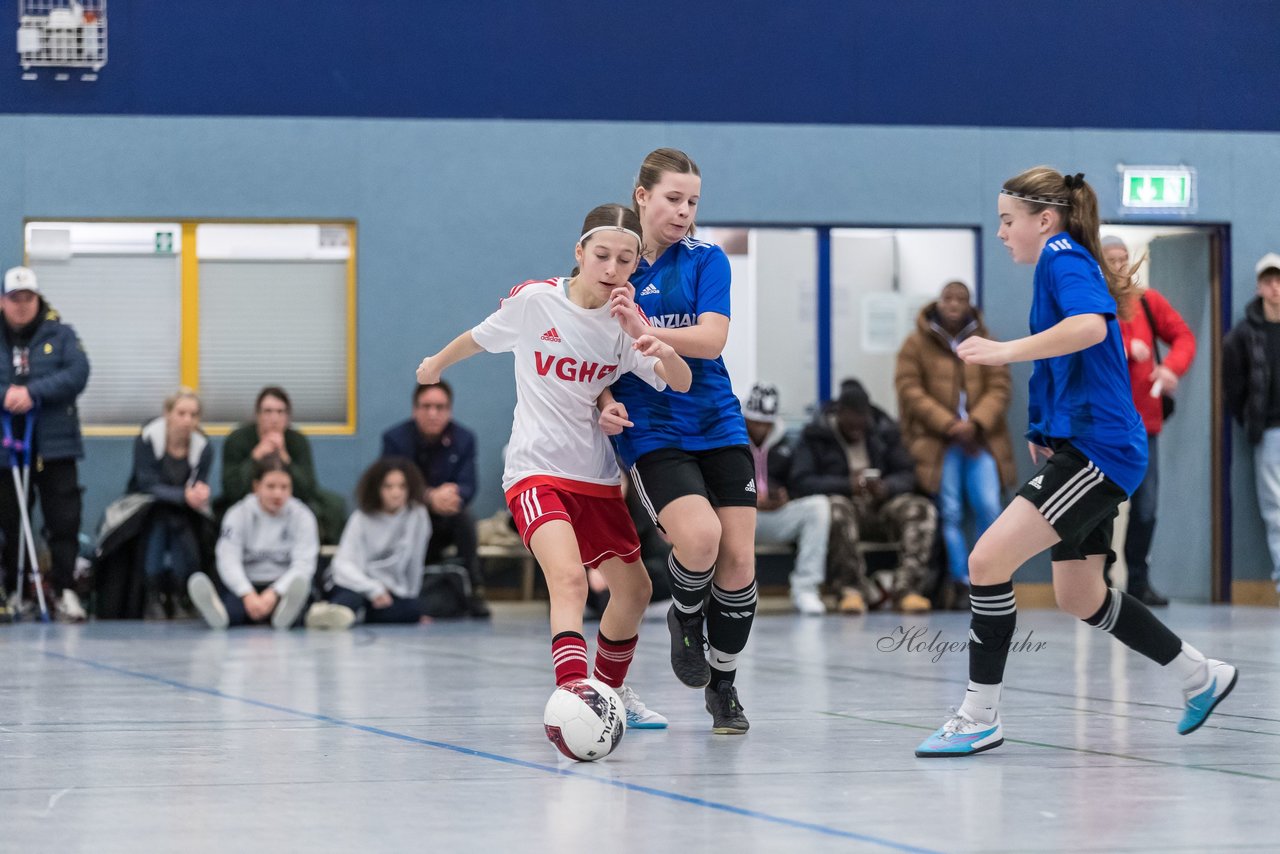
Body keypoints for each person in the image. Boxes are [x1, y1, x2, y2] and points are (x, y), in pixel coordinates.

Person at [915, 167, 1236, 757]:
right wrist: (1042, 428)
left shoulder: (1062, 255)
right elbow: (1064, 359)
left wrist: (1004, 350)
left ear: (1045, 220)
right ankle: (1200, 675)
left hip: (1100, 449)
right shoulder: (1057, 263)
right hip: (1081, 443)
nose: (1002, 232)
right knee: (1079, 594)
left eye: (1008, 221)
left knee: (986, 560)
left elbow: (1088, 328)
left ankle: (978, 714)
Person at [414, 203, 691, 730]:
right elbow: (480, 336)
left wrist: (649, 340)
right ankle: (572, 699)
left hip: (597, 478)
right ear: (580, 253)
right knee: (568, 580)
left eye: (626, 260)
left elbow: (678, 381)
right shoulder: (537, 301)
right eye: (602, 255)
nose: (612, 268)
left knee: (635, 591)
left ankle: (607, 695)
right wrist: (436, 365)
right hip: (535, 470)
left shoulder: (624, 322)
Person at [597, 148, 757, 734]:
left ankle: (724, 686)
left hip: (716, 419)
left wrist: (647, 329)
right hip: (653, 427)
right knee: (701, 537)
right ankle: (687, 611)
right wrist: (602, 401)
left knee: (739, 563)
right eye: (672, 198)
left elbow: (712, 340)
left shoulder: (707, 259)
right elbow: (585, 354)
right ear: (642, 197)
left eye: (693, 201)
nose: (684, 211)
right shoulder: (613, 266)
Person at [896, 281, 1015, 609]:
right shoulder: (916, 344)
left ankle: (990, 577)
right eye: (948, 298)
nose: (953, 304)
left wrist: (974, 424)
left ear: (969, 305)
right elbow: (909, 389)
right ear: (938, 301)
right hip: (939, 443)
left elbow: (1000, 387)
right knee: (949, 511)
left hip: (979, 441)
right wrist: (948, 425)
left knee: (990, 506)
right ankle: (961, 582)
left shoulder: (986, 342)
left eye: (961, 299)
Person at [1100, 235, 1197, 607]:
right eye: (1111, 259)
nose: (1120, 266)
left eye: (1124, 258)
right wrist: (1125, 349)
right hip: (1103, 428)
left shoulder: (1148, 302)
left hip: (1144, 426)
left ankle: (1138, 580)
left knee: (1146, 507)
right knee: (1102, 506)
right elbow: (1080, 347)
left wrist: (1170, 368)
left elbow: (1184, 337)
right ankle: (1101, 581)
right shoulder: (1092, 303)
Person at [789, 381, 938, 613]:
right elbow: (801, 481)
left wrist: (886, 487)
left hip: (882, 505)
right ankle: (851, 591)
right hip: (846, 506)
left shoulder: (884, 431)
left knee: (921, 508)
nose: (857, 432)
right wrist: (847, 485)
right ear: (839, 415)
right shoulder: (816, 436)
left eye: (862, 427)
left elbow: (907, 474)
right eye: (851, 428)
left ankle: (907, 590)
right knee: (835, 508)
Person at [0, 266, 91, 621]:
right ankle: (14, 591)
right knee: (10, 519)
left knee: (63, 518)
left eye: (28, 298)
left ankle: (66, 590)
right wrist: (6, 395)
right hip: (7, 445)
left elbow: (78, 372)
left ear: (37, 299)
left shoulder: (61, 333)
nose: (22, 306)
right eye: (14, 299)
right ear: (3, 301)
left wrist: (33, 393)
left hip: (54, 443)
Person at [381, 382, 490, 617]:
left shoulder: (464, 438)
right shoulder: (395, 439)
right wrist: (429, 496)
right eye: (426, 406)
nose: (433, 413)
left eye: (440, 407)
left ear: (449, 410)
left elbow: (469, 485)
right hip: (408, 515)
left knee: (465, 518)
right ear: (415, 410)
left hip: (446, 516)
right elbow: (388, 485)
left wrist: (453, 494)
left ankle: (475, 588)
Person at [188, 455, 317, 629]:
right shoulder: (237, 513)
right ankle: (220, 612)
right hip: (247, 583)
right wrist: (247, 593)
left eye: (284, 487)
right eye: (270, 487)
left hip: (284, 585)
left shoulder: (303, 516)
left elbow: (304, 564)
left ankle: (286, 612)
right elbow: (228, 559)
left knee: (298, 611)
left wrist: (275, 592)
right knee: (234, 613)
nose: (278, 493)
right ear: (256, 487)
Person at [306, 457, 431, 629]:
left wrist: (412, 599)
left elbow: (415, 562)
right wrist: (372, 589)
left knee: (411, 610)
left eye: (402, 486)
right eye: (388, 487)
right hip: (356, 583)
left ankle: (349, 616)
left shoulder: (418, 516)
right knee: (351, 599)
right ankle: (329, 612)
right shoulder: (361, 518)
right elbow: (343, 565)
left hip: (390, 592)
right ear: (377, 488)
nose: (396, 493)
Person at [742, 382, 831, 616]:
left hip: (774, 516)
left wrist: (784, 497)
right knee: (733, 511)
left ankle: (806, 588)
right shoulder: (732, 439)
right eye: (755, 421)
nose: (761, 428)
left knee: (818, 506)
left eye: (766, 422)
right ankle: (743, 590)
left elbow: (801, 482)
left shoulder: (788, 444)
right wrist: (750, 498)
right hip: (742, 514)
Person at [220, 386, 347, 544]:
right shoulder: (237, 439)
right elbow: (231, 489)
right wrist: (255, 457)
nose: (274, 418)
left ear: (287, 417)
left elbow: (308, 489)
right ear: (257, 415)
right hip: (248, 503)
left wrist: (286, 458)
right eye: (268, 411)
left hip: (290, 503)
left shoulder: (297, 440)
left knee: (332, 506)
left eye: (280, 412)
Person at [128, 388, 214, 618]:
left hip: (185, 513)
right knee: (161, 520)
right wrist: (182, 496)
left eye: (193, 415)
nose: (187, 420)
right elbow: (146, 483)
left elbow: (200, 483)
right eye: (181, 413)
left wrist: (200, 493)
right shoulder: (148, 438)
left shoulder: (203, 447)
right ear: (168, 413)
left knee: (177, 523)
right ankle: (155, 594)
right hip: (144, 509)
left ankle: (178, 594)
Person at [1223, 253, 1280, 593]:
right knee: (1276, 508)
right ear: (1260, 287)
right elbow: (1234, 387)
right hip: (1270, 430)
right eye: (1269, 281)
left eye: (1279, 280)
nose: (1275, 288)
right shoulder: (1243, 334)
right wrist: (1250, 420)